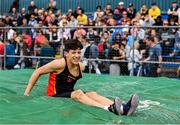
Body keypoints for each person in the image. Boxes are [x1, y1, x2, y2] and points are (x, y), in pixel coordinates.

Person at [24, 39, 139, 116]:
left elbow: (93, 69)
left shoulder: (81, 67)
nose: (77, 55)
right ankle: (108, 109)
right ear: (67, 54)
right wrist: (26, 93)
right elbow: (37, 72)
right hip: (54, 95)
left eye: (79, 52)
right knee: (78, 93)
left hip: (68, 92)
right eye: (73, 52)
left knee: (92, 94)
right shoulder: (59, 64)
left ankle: (123, 108)